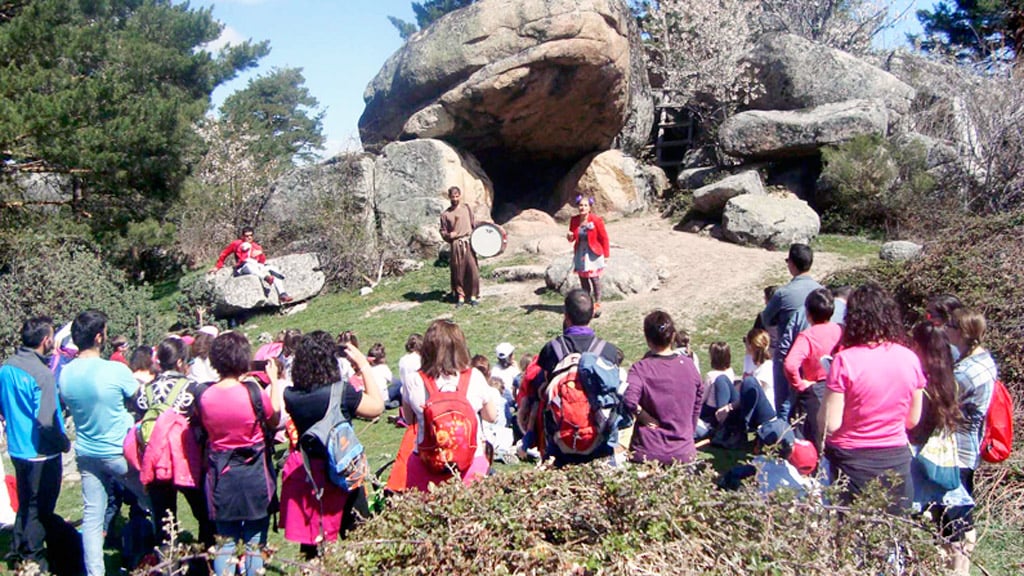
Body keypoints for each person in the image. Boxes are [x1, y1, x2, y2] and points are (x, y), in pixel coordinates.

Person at [58, 310, 152, 576]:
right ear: (99, 337)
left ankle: (95, 572)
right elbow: (141, 399)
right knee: (152, 500)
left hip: (87, 452)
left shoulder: (66, 375)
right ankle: (164, 552)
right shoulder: (114, 370)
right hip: (119, 451)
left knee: (92, 516)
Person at [819, 283, 925, 508]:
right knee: (893, 533)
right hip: (896, 459)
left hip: (852, 461)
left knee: (852, 534)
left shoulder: (844, 361)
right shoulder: (910, 358)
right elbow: (912, 419)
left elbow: (830, 423)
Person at [280, 331, 383, 559]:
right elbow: (376, 406)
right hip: (341, 468)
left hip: (309, 474)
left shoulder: (291, 396)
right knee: (359, 535)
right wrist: (364, 366)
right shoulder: (340, 392)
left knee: (314, 545)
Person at [197, 331, 282, 576]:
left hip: (221, 475)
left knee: (225, 541)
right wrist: (274, 382)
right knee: (255, 540)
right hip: (254, 473)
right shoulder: (252, 392)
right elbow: (274, 418)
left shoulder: (204, 396)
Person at [0, 317, 69, 571]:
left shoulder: (6, 367)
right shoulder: (42, 375)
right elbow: (46, 421)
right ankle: (34, 555)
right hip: (41, 452)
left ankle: (17, 549)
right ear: (46, 340)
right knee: (41, 509)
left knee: (27, 502)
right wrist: (63, 443)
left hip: (18, 449)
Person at [133, 337, 213, 551]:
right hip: (187, 458)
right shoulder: (193, 389)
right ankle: (207, 560)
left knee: (163, 521)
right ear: (180, 362)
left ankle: (168, 566)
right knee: (204, 514)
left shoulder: (143, 392)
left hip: (156, 460)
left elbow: (139, 420)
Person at [908, 322, 974, 575]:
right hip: (945, 457)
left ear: (919, 346)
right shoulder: (951, 380)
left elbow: (914, 423)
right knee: (953, 524)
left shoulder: (921, 383)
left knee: (915, 520)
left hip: (920, 458)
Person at [401, 319, 498, 491]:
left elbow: (409, 420)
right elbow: (491, 416)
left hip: (425, 463)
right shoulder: (474, 376)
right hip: (470, 463)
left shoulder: (413, 380)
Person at [529, 289, 622, 465]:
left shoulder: (552, 349)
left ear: (566, 315)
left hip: (561, 439)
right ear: (593, 313)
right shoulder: (608, 351)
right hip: (600, 440)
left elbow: (542, 391)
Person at [946, 307, 998, 566]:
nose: (946, 330)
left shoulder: (968, 372)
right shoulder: (982, 360)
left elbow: (942, 398)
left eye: (950, 327)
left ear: (962, 332)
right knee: (964, 515)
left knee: (954, 519)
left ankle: (958, 570)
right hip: (968, 449)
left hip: (959, 452)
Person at [622, 310, 703, 464]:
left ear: (647, 339)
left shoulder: (640, 369)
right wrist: (688, 434)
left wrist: (642, 414)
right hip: (683, 451)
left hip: (647, 451)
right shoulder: (689, 366)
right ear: (673, 336)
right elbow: (697, 404)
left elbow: (628, 399)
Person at [761, 244, 823, 421]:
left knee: (785, 402)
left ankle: (785, 440)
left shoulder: (783, 293)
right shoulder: (822, 291)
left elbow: (767, 319)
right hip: (816, 354)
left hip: (789, 352)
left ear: (792, 264)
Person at [783, 288, 842, 450]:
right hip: (840, 387)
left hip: (814, 390)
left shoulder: (807, 336)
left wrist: (799, 384)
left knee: (812, 441)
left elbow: (790, 364)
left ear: (808, 313)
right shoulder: (840, 330)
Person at [211, 226, 293, 303]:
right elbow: (224, 254)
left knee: (272, 270)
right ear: (242, 236)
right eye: (246, 236)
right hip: (242, 267)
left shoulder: (256, 247)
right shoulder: (237, 244)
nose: (249, 238)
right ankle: (266, 278)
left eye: (250, 235)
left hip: (256, 267)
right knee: (248, 265)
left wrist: (260, 254)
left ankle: (282, 294)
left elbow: (262, 262)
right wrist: (217, 267)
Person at [566, 195, 610, 318]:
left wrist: (606, 254)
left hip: (593, 253)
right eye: (581, 205)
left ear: (590, 208)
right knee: (583, 281)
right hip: (581, 253)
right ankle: (586, 305)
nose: (582, 208)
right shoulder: (574, 220)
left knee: (594, 279)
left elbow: (604, 238)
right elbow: (573, 238)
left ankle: (597, 304)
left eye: (585, 205)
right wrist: (569, 236)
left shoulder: (596, 220)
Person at [439, 186, 480, 307]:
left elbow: (473, 224)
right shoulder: (446, 214)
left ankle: (473, 296)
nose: (455, 199)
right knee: (458, 272)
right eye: (453, 197)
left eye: (457, 196)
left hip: (468, 242)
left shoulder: (466, 208)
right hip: (456, 245)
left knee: (473, 270)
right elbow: (443, 231)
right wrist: (449, 235)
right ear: (449, 197)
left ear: (460, 196)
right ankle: (461, 296)